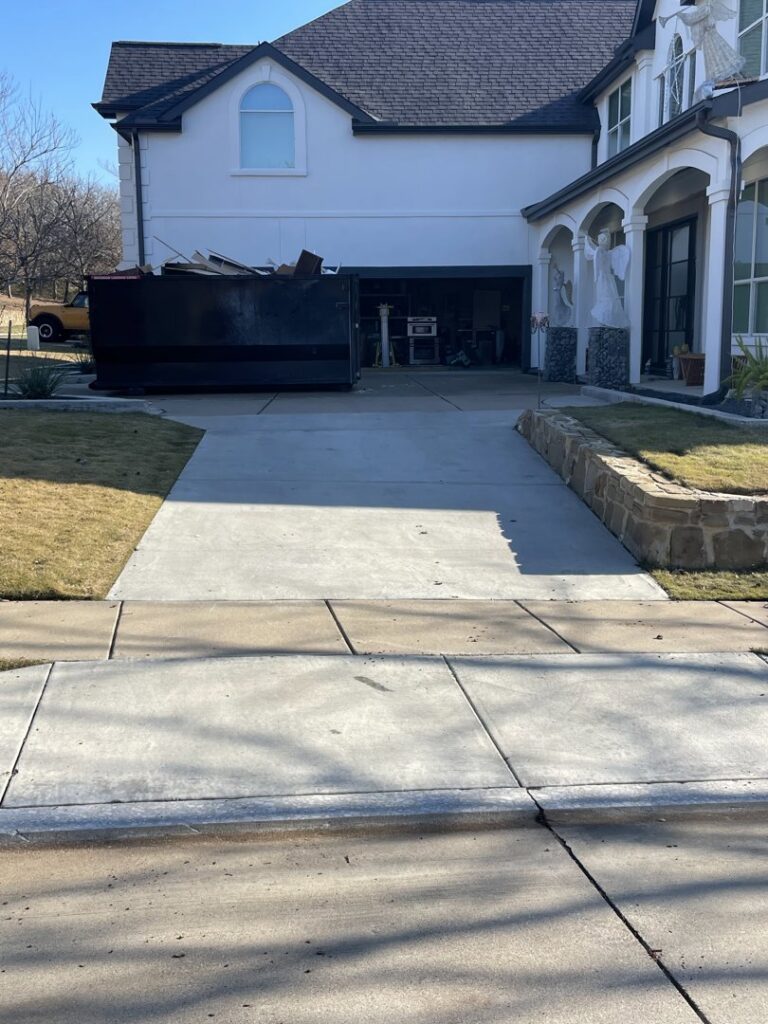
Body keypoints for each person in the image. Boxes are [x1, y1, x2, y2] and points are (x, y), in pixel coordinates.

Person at [584, 231, 630, 328]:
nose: (607, 243)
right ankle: (604, 320)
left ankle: (607, 320)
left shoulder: (605, 252)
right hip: (603, 278)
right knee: (606, 299)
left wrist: (590, 241)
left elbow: (595, 255)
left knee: (610, 299)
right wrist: (589, 240)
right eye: (605, 240)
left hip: (606, 278)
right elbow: (595, 258)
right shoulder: (600, 251)